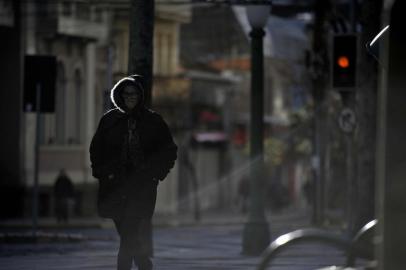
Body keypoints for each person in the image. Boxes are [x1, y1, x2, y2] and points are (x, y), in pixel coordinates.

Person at [89, 75, 177, 270]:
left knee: (128, 234)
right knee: (128, 235)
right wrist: (102, 173)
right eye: (126, 93)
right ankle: (145, 264)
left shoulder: (153, 121)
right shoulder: (109, 120)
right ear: (119, 95)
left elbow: (169, 151)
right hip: (114, 188)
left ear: (140, 96)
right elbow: (96, 149)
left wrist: (156, 174)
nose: (130, 97)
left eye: (134, 94)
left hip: (141, 188)